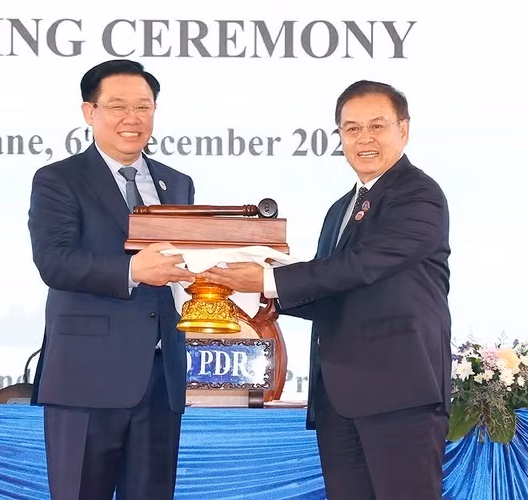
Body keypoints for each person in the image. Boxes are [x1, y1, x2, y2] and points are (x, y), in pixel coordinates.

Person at [203, 81, 451, 500]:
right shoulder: (341, 207)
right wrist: (258, 294)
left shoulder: (417, 194)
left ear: (403, 130)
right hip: (339, 397)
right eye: (351, 129)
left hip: (397, 395)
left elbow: (362, 266)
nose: (364, 139)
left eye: (377, 125)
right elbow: (333, 290)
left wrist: (267, 280)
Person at [27, 59, 196, 500]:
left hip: (161, 377)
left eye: (143, 106)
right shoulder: (58, 180)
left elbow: (182, 262)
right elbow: (54, 261)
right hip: (86, 377)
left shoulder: (177, 183)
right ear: (89, 112)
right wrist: (131, 271)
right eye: (118, 105)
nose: (132, 117)